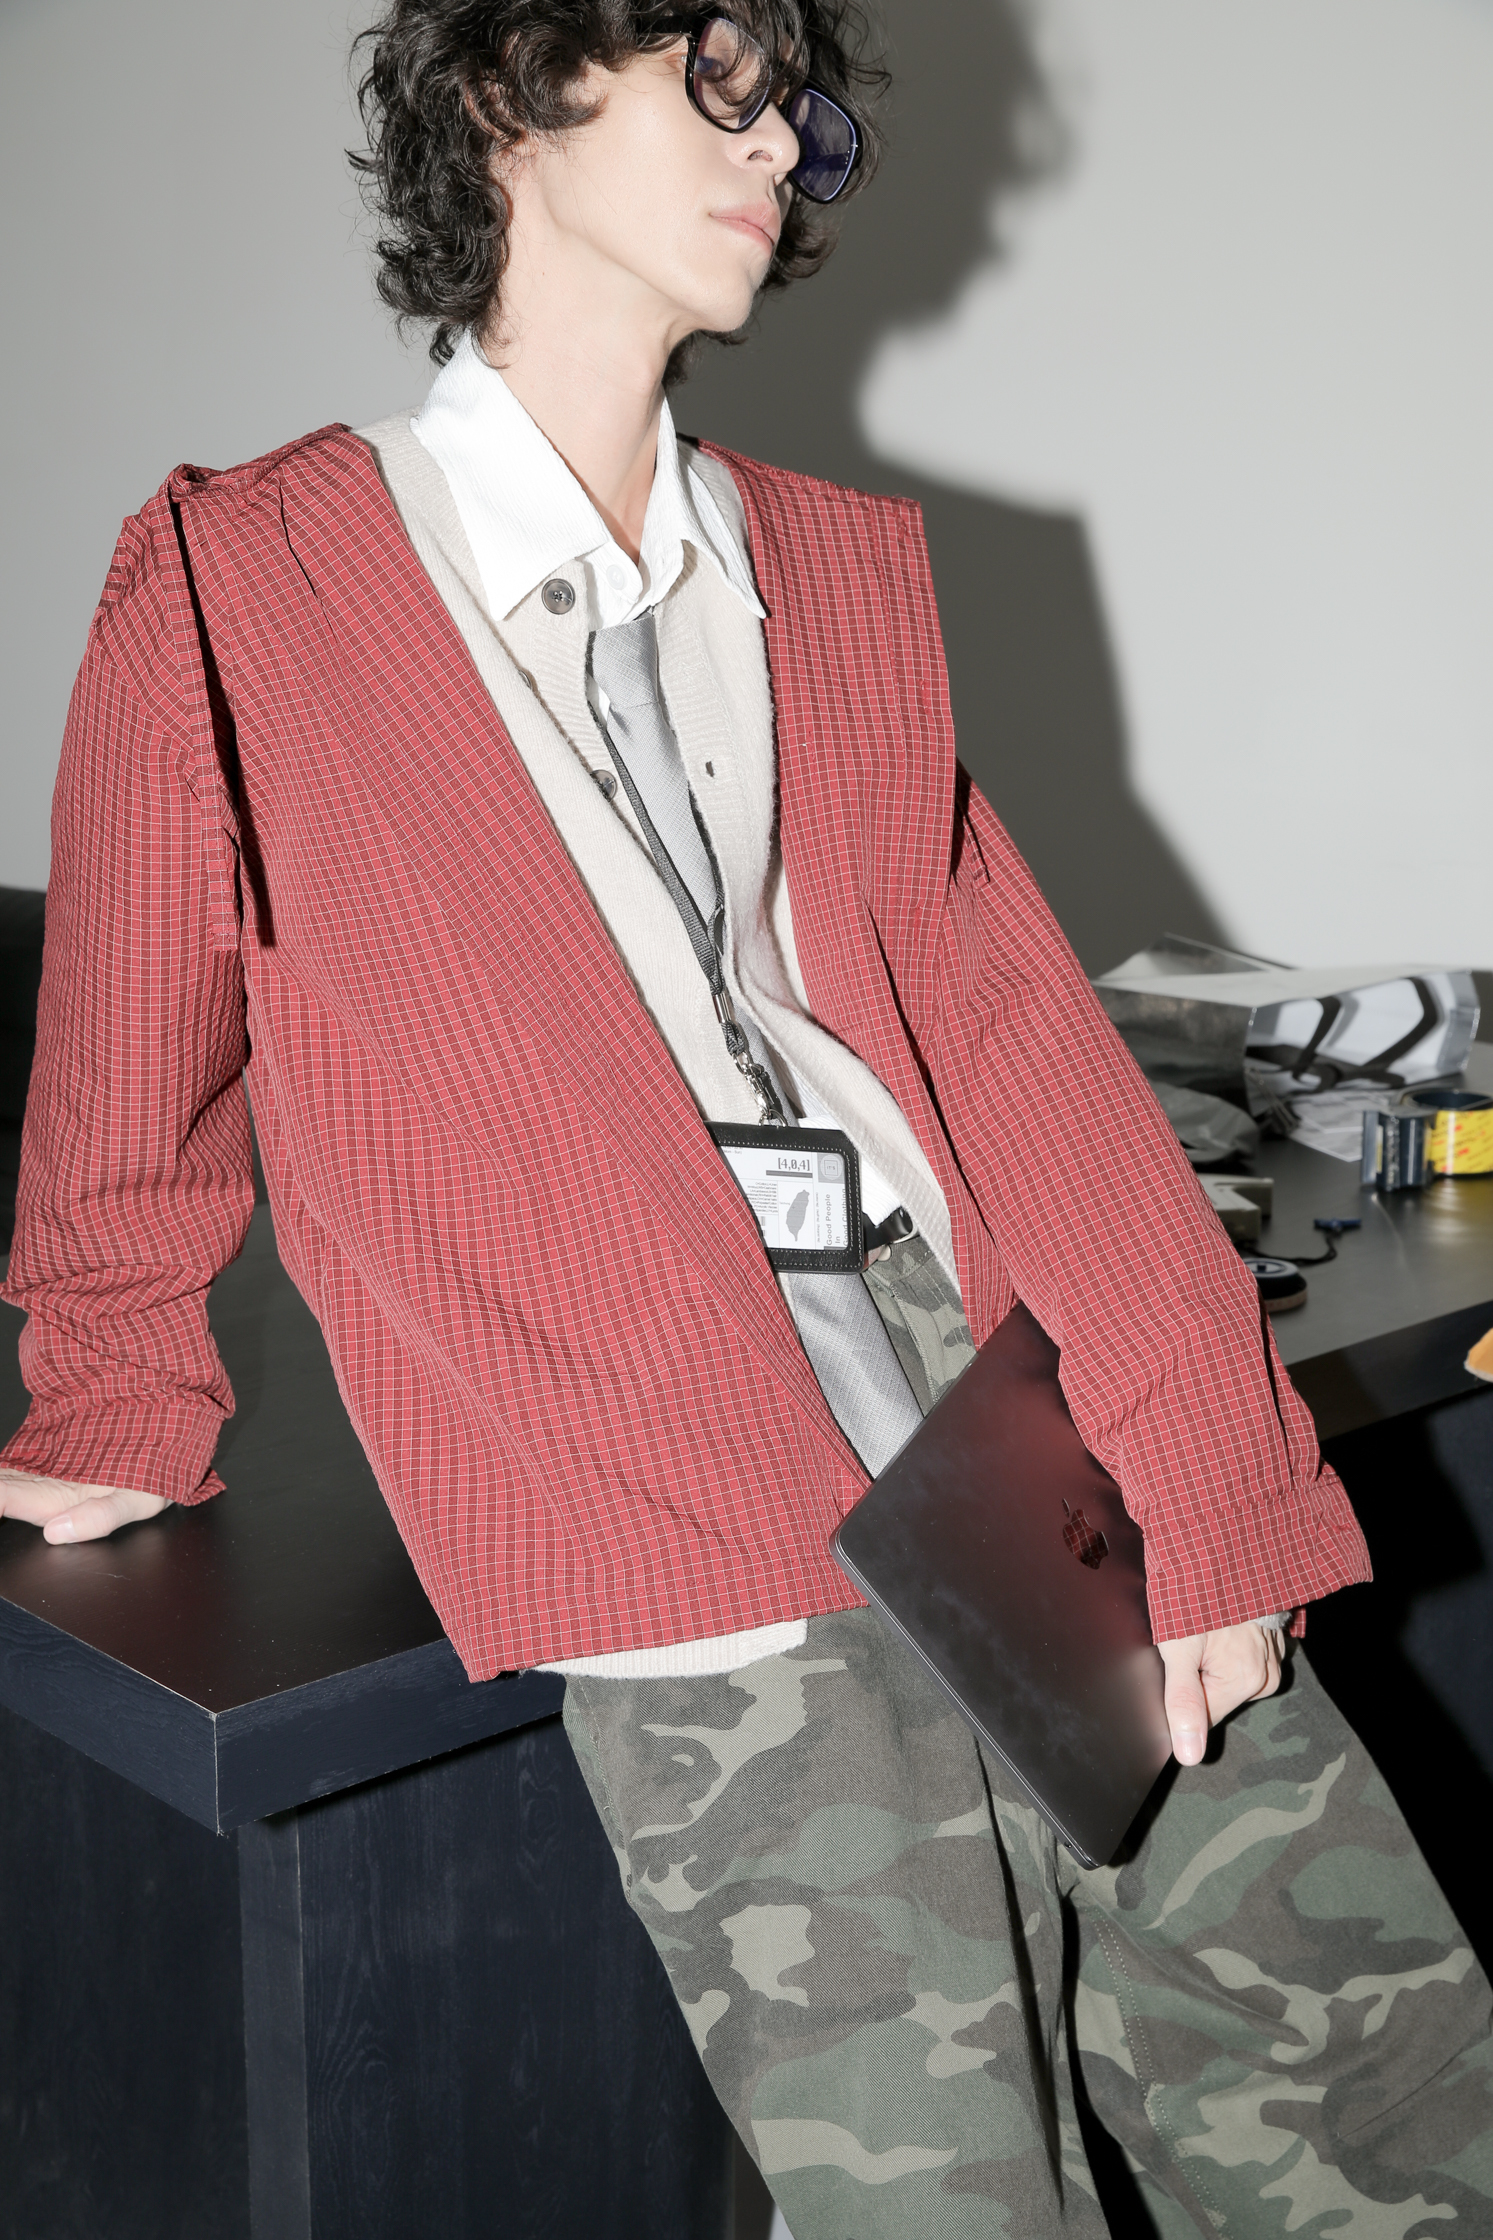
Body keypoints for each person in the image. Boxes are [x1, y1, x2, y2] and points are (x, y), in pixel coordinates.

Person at [1, 3, 1489, 2230]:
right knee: (940, 2195)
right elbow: (134, 1038)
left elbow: (1019, 1051)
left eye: (794, 104)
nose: (782, 142)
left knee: (1387, 2096)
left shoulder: (826, 568)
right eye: (717, 74)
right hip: (655, 1450)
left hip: (1000, 1396)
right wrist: (114, 1380)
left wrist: (1213, 1468)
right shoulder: (246, 580)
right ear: (506, 93)